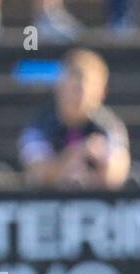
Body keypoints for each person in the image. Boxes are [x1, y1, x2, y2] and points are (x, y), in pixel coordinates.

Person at [19, 48, 130, 190]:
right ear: (59, 87)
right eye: (73, 88)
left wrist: (101, 161)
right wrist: (77, 153)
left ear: (101, 93)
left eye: (85, 89)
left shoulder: (109, 125)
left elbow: (115, 177)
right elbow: (39, 174)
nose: (78, 97)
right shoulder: (39, 126)